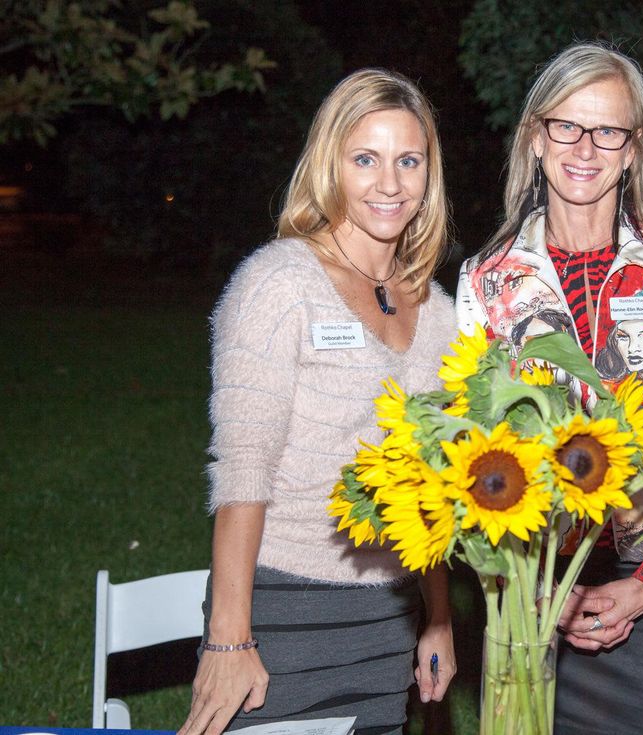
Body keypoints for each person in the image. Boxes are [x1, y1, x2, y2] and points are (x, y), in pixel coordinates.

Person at [455, 42, 643, 734]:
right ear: (535, 138)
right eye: (566, 125)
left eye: (608, 130)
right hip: (535, 593)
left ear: (631, 149)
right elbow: (481, 456)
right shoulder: (487, 281)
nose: (585, 147)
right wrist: (528, 585)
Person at [178, 69, 457, 735]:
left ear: (428, 173)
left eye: (408, 160)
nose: (389, 183)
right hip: (279, 615)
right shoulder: (279, 284)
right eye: (366, 158)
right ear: (330, 164)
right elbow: (243, 468)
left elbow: (432, 486)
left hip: (386, 620)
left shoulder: (439, 311)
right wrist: (228, 638)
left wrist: (438, 616)